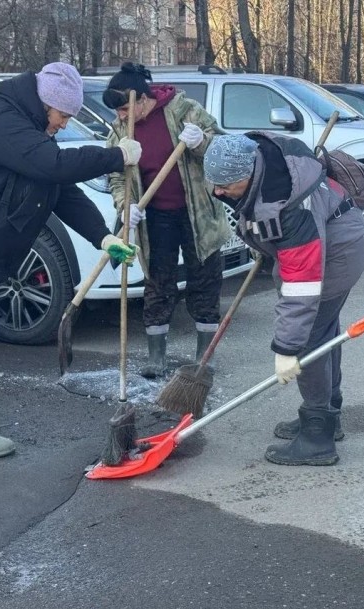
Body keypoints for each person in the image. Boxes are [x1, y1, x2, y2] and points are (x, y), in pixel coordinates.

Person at [0, 63, 142, 458]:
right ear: (46, 103)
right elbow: (53, 165)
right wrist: (114, 156)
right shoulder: (1, 118)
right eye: (63, 115)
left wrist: (102, 236)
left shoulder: (28, 128)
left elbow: (60, 187)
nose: (63, 125)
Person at [203, 133, 364, 466]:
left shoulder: (288, 207)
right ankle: (327, 415)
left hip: (336, 255)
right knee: (324, 333)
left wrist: (287, 348)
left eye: (226, 185)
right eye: (214, 184)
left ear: (249, 175)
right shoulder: (264, 159)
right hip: (339, 236)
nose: (218, 192)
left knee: (309, 342)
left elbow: (302, 288)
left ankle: (317, 436)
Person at [102, 62, 231, 378]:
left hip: (197, 213)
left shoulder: (185, 110)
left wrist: (201, 141)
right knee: (158, 281)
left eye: (123, 109)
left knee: (205, 279)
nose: (120, 116)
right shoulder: (120, 131)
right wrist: (124, 206)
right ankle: (156, 358)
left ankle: (205, 355)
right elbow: (117, 177)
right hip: (155, 216)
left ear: (142, 99)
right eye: (117, 111)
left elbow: (223, 148)